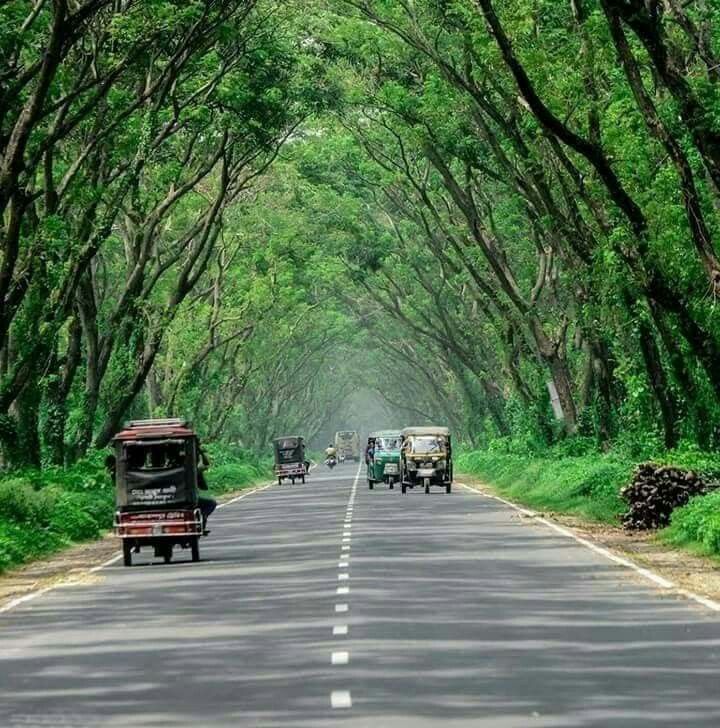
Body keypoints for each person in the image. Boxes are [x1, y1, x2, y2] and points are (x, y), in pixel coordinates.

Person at [197, 446, 216, 535]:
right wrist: (200, 452)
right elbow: (206, 464)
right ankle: (203, 518)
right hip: (191, 497)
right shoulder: (194, 469)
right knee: (211, 503)